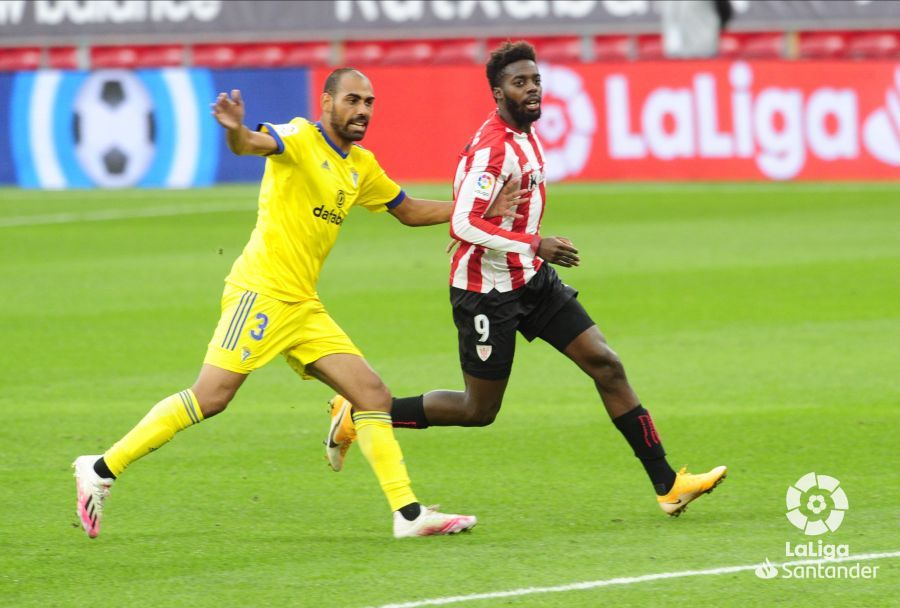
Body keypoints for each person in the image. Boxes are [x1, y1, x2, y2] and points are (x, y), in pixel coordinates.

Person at [72, 68, 521, 540]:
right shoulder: (299, 136)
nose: (362, 110)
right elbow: (252, 145)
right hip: (261, 292)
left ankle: (408, 516)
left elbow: (406, 210)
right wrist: (235, 132)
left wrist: (472, 210)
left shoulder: (360, 165)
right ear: (326, 102)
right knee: (212, 397)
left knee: (371, 395)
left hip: (302, 304)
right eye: (352, 100)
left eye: (369, 103)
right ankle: (100, 468)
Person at [325, 43, 727, 517]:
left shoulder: (527, 135)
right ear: (498, 93)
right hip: (485, 293)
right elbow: (464, 224)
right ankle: (359, 414)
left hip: (531, 281)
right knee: (479, 411)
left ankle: (669, 485)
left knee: (606, 364)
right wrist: (535, 242)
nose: (532, 89)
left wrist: (530, 253)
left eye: (535, 80)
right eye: (520, 83)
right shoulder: (493, 150)